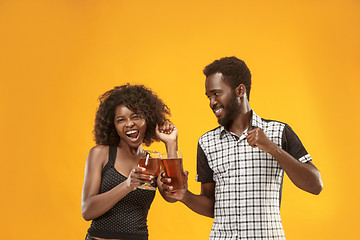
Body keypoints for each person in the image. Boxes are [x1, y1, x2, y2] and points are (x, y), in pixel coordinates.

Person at [160, 57, 323, 239]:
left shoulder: (278, 132)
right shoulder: (206, 142)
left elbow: (315, 185)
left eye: (217, 93)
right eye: (209, 96)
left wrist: (272, 148)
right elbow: (212, 205)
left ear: (240, 90)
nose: (212, 102)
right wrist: (186, 196)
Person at [81, 84, 178, 240]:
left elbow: (173, 195)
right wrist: (127, 185)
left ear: (148, 119)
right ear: (113, 125)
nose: (129, 124)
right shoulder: (101, 154)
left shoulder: (152, 162)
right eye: (121, 120)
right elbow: (87, 210)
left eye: (136, 116)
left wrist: (171, 144)